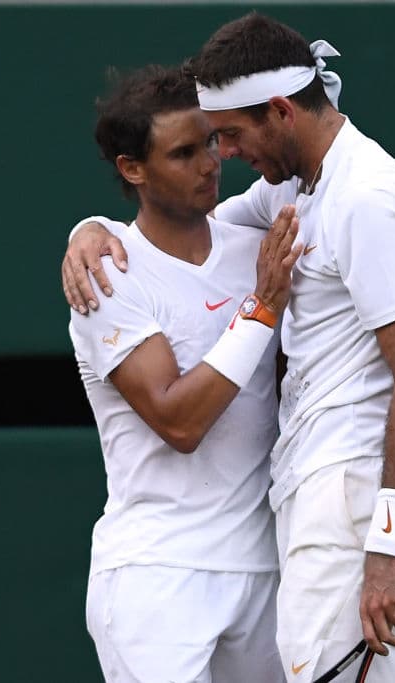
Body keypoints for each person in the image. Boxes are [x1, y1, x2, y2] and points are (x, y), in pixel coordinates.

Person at [64, 16, 395, 680]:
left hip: (342, 509)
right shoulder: (288, 197)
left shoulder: (363, 196)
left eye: (225, 135)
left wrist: (385, 545)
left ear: (282, 112)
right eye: (198, 145)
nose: (219, 157)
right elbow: (180, 254)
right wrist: (88, 229)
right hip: (256, 529)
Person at [70, 63, 305, 683]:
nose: (209, 163)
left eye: (209, 142)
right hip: (157, 578)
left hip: (265, 570)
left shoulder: (249, 237)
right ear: (132, 169)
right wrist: (260, 310)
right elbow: (179, 420)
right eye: (182, 152)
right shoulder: (108, 277)